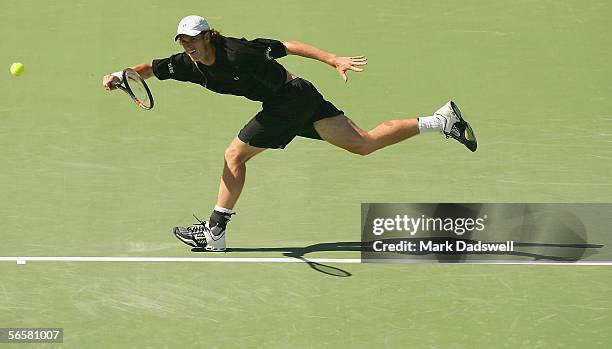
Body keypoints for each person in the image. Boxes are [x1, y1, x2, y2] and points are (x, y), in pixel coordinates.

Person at [102, 15, 477, 252]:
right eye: (183, 42)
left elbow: (289, 46)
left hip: (290, 99)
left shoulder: (240, 52)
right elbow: (148, 68)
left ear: (209, 36)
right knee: (363, 144)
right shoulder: (188, 64)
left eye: (194, 40)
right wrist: (121, 75)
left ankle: (215, 232)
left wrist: (332, 58)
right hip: (300, 100)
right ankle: (441, 120)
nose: (189, 47)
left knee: (235, 155)